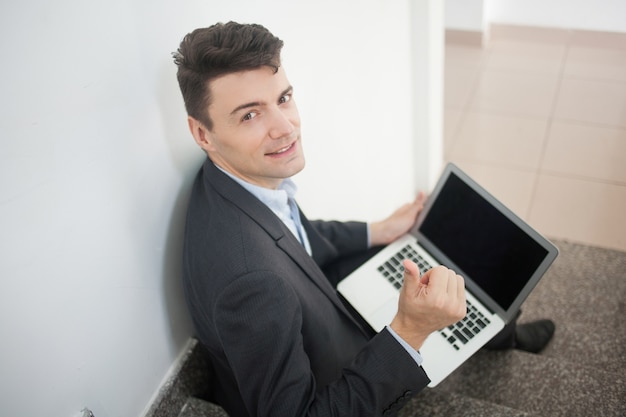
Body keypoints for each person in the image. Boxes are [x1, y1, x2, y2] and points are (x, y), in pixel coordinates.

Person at [173, 21, 554, 417]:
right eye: (250, 115)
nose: (285, 128)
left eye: (283, 98)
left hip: (312, 307)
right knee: (422, 284)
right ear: (202, 133)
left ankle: (500, 331)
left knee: (430, 253)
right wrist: (409, 331)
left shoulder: (229, 182)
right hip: (330, 374)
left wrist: (379, 231)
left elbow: (295, 238)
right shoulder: (252, 283)